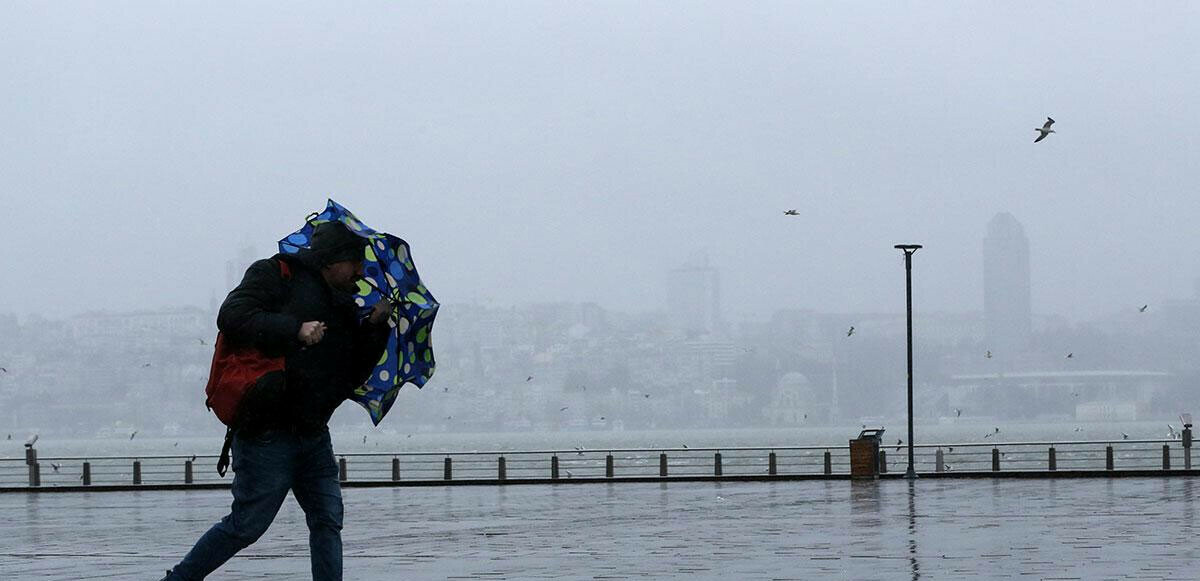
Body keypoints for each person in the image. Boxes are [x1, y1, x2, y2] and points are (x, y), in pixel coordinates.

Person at [162, 221, 392, 581]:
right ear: (330, 261)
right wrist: (294, 329)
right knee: (246, 526)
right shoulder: (276, 274)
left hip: (314, 433)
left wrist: (376, 327)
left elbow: (351, 376)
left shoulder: (345, 307)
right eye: (354, 261)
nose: (361, 271)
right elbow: (232, 315)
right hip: (266, 432)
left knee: (327, 520)